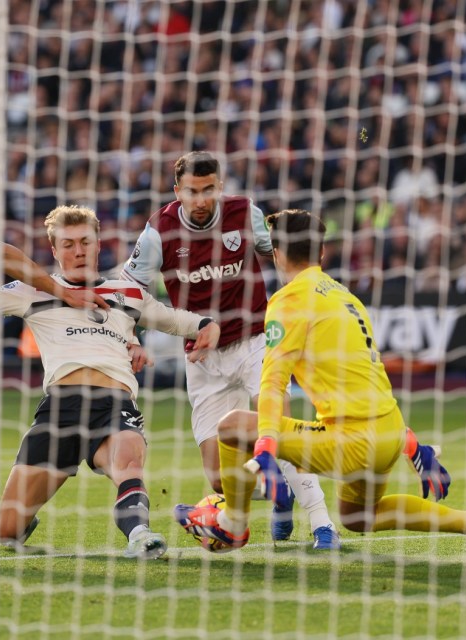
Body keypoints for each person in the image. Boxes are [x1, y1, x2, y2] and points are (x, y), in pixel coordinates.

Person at [174, 209, 466, 555]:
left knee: (232, 426)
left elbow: (272, 383)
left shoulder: (289, 301)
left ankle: (232, 525)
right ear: (321, 251)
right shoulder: (345, 297)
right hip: (388, 434)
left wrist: (267, 445)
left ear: (276, 253)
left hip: (353, 442)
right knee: (357, 516)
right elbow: (368, 378)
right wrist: (412, 444)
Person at [0, 204, 221, 559]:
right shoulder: (34, 290)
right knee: (4, 532)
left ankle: (140, 534)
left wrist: (206, 325)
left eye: (85, 242)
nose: (78, 251)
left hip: (113, 402)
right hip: (60, 409)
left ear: (98, 244)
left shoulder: (129, 293)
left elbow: (175, 319)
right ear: (55, 251)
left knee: (128, 462)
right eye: (68, 244)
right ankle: (23, 521)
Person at [119, 150, 339, 548]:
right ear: (177, 191)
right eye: (192, 191)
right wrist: (131, 338)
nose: (201, 200)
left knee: (281, 432)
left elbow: (285, 258)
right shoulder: (158, 232)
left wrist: (302, 301)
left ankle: (323, 525)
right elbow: (129, 291)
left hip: (257, 342)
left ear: (220, 187)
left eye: (208, 190)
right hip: (202, 360)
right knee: (220, 477)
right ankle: (278, 493)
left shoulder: (245, 214)